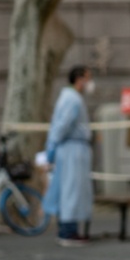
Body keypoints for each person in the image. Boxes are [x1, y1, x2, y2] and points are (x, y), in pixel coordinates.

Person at [44, 65, 95, 247]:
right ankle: (67, 231)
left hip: (70, 149)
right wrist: (51, 149)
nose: (90, 82)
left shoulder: (69, 98)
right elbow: (61, 127)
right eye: (88, 78)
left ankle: (68, 230)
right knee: (71, 191)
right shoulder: (72, 100)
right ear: (80, 79)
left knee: (68, 190)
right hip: (71, 151)